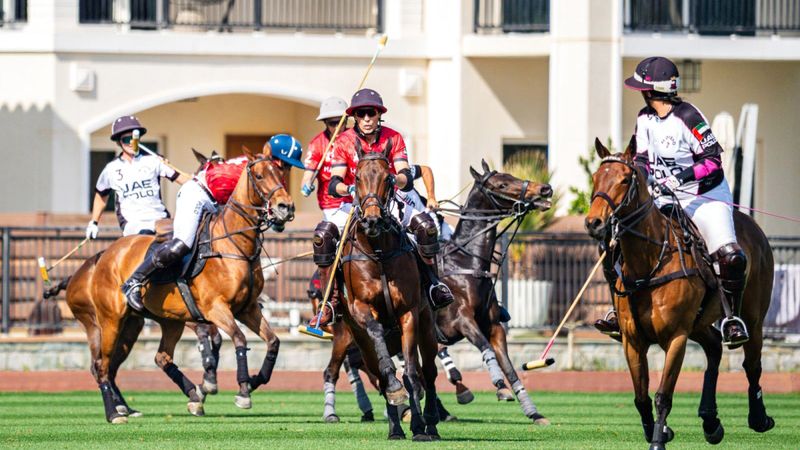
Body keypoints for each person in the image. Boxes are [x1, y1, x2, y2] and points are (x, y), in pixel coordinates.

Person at [595, 56, 749, 347]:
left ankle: (731, 318)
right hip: (662, 195)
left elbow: (713, 161)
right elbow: (641, 158)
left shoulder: (688, 116)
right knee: (616, 241)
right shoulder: (644, 118)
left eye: (643, 87)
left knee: (730, 255)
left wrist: (680, 179)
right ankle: (619, 310)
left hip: (704, 196)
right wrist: (641, 177)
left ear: (654, 90)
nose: (641, 92)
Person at [309, 88, 454, 327]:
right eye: (362, 114)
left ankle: (432, 286)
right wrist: (352, 190)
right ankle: (330, 303)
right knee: (322, 236)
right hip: (353, 205)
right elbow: (335, 183)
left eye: (371, 113)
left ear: (379, 115)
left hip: (390, 201)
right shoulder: (344, 142)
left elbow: (405, 175)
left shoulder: (393, 137)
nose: (367, 118)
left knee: (427, 228)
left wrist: (391, 180)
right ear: (355, 116)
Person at [121, 134, 304, 312]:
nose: (287, 170)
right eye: (286, 165)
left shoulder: (272, 177)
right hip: (198, 194)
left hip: (218, 203)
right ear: (275, 159)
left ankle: (242, 298)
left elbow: (269, 214)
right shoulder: (253, 168)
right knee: (183, 243)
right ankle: (134, 281)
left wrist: (277, 220)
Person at [86, 115, 189, 240]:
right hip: (133, 224)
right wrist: (94, 222)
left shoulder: (154, 160)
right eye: (126, 139)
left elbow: (183, 179)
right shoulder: (111, 169)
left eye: (134, 137)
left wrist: (201, 178)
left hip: (160, 219)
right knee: (145, 236)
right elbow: (101, 196)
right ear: (119, 142)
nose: (131, 142)